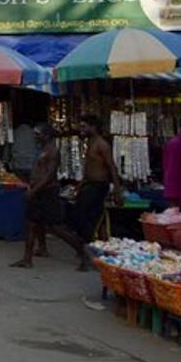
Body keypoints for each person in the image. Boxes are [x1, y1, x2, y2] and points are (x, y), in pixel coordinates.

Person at [11, 124, 82, 269]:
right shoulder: (42, 149)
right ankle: (27, 259)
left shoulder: (52, 151)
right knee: (31, 225)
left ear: (47, 135)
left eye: (38, 134)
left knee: (56, 227)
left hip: (46, 192)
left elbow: (49, 176)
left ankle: (83, 253)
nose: (35, 136)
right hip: (38, 191)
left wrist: (34, 190)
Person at [71, 114, 122, 271]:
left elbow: (112, 167)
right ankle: (86, 252)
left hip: (99, 186)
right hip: (90, 185)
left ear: (93, 127)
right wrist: (80, 185)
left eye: (84, 126)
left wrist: (117, 190)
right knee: (82, 218)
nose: (82, 129)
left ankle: (88, 254)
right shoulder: (91, 143)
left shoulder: (101, 144)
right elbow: (89, 169)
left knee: (85, 219)